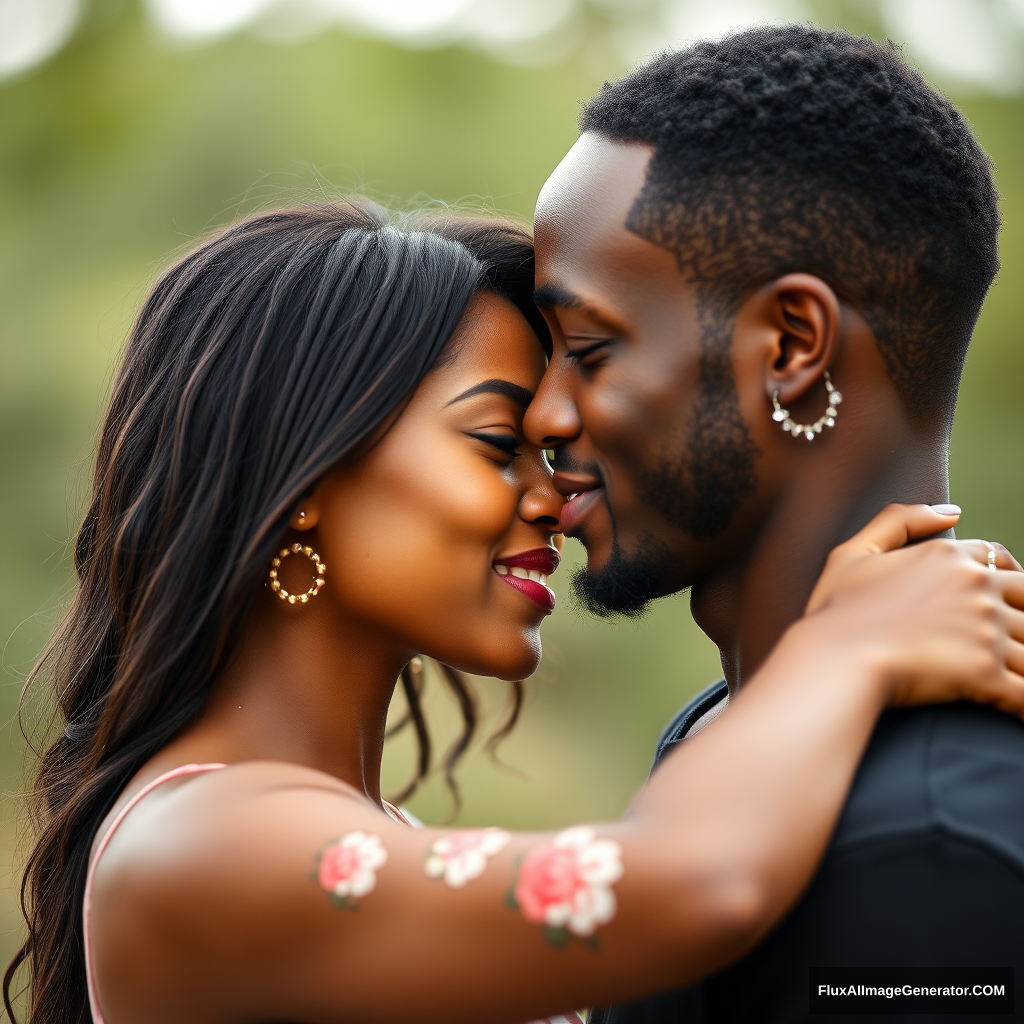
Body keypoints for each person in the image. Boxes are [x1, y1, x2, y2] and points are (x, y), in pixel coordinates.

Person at [6, 203, 1024, 1024]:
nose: (555, 491)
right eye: (499, 444)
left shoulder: (351, 833)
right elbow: (689, 883)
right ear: (305, 472)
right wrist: (844, 650)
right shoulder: (195, 851)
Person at [523, 24, 1024, 1024]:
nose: (542, 414)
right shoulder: (725, 747)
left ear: (791, 344)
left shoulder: (922, 847)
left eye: (586, 347)